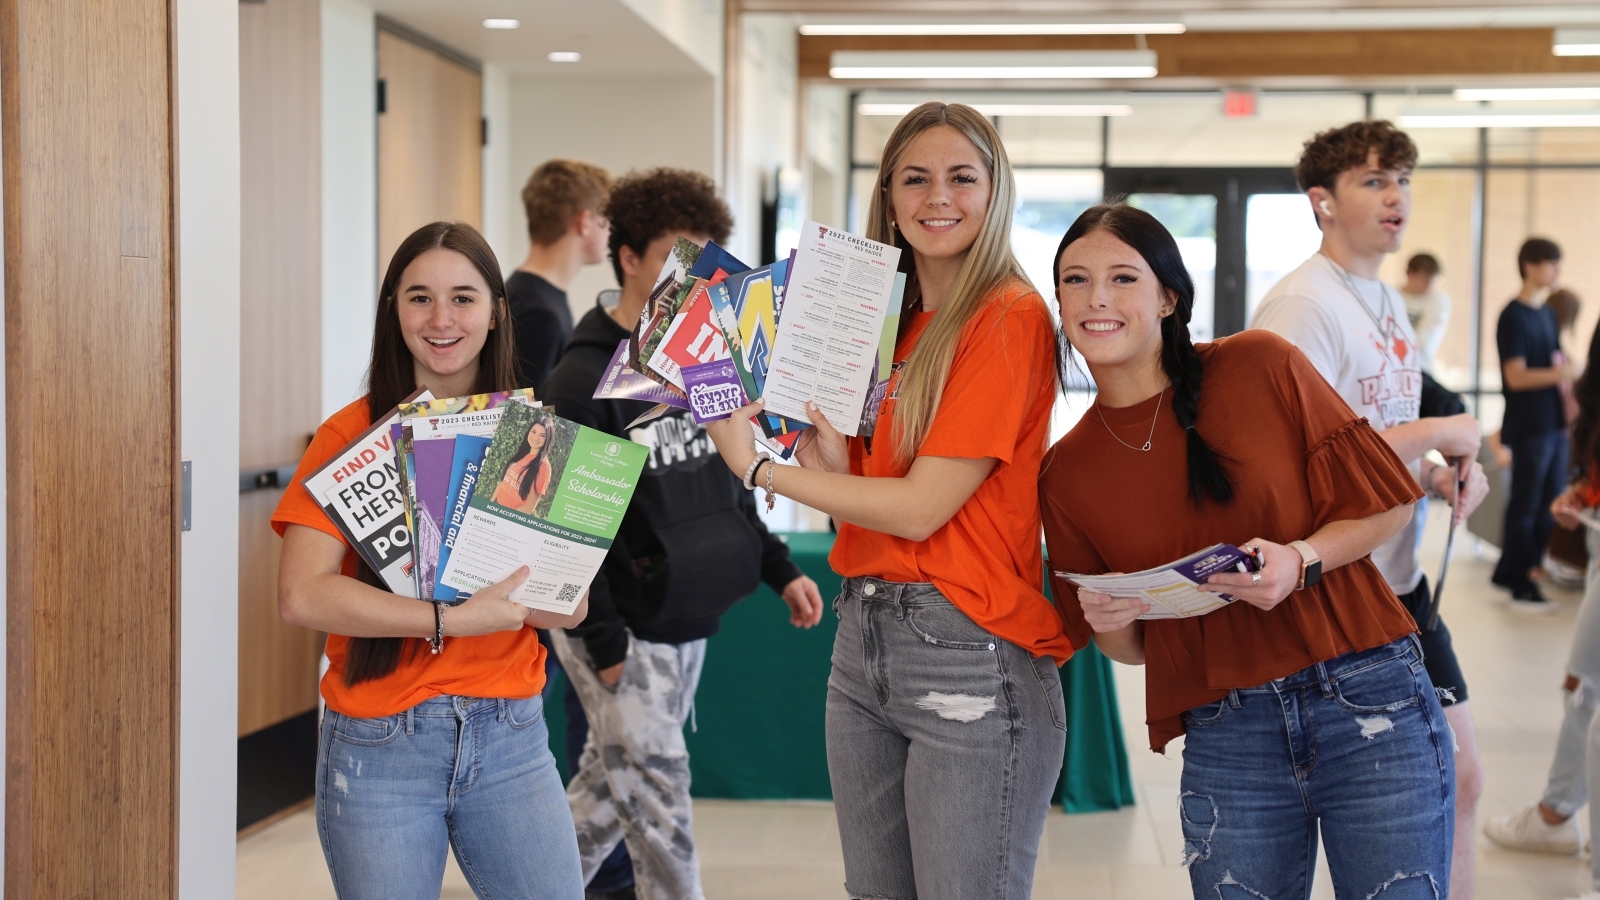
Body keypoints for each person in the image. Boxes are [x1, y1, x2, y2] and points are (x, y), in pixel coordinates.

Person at [702, 102, 1071, 899]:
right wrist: (824, 457)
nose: (938, 197)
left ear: (995, 190)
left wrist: (759, 470)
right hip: (862, 634)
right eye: (916, 178)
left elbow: (919, 510)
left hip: (968, 644)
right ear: (890, 197)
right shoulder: (885, 323)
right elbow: (872, 503)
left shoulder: (1008, 316)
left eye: (961, 177)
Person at [1043, 203, 1455, 899]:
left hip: (1368, 696)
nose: (1097, 300)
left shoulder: (1258, 364)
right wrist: (1115, 625)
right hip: (1229, 732)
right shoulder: (1066, 471)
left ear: (1169, 297)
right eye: (1075, 281)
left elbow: (1389, 501)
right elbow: (1131, 647)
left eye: (1122, 278)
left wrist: (1301, 561)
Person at [272, 222, 587, 899]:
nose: (441, 319)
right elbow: (301, 594)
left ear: (497, 312)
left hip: (511, 734)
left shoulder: (532, 431)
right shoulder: (351, 433)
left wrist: (563, 582)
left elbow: (569, 605)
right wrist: (449, 618)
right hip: (381, 741)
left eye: (463, 298)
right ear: (394, 311)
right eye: (419, 298)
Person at [539, 167, 824, 900]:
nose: (689, 277)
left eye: (701, 260)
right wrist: (602, 645)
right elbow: (565, 536)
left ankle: (527, 885)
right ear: (627, 257)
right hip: (619, 625)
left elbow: (724, 475)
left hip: (687, 605)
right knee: (659, 792)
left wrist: (779, 565)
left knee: (612, 784)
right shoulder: (581, 378)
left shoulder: (703, 352)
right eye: (672, 256)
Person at [1251, 119, 1489, 898]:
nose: (1397, 198)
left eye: (1404, 180)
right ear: (1322, 201)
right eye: (1373, 181)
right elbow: (1290, 465)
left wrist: (1434, 476)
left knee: (1461, 780)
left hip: (1401, 585)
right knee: (1406, 800)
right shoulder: (1300, 308)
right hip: (1338, 596)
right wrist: (1437, 432)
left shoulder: (1384, 298)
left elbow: (1369, 444)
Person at [1486, 314, 1600, 900]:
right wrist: (1587, 492)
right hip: (1589, 520)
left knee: (1589, 693)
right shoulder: (1521, 319)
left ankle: (1559, 817)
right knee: (1584, 688)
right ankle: (1556, 814)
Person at [1494, 237, 1572, 605]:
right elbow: (1517, 377)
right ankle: (1517, 579)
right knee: (1526, 504)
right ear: (1530, 265)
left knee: (1548, 503)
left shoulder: (1547, 314)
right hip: (1529, 425)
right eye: (1551, 263)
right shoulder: (1513, 315)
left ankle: (1523, 570)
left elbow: (1559, 362)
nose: (1556, 271)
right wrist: (1564, 373)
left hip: (1555, 424)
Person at [510, 159, 613, 392]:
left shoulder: (529, 294)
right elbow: (523, 422)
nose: (610, 231)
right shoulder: (541, 315)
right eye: (605, 221)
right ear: (585, 222)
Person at [491, 413, 555, 514]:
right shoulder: (522, 453)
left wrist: (505, 517)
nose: (536, 437)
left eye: (542, 435)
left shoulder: (544, 467)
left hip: (508, 516)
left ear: (548, 439)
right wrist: (490, 504)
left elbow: (529, 507)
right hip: (495, 507)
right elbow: (503, 481)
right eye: (533, 432)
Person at [1399, 252, 1450, 376]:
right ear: (1410, 273)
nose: (1430, 284)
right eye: (1425, 278)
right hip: (1392, 368)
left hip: (1421, 369)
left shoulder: (1438, 301)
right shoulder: (1391, 296)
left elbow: (1424, 344)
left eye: (1433, 279)